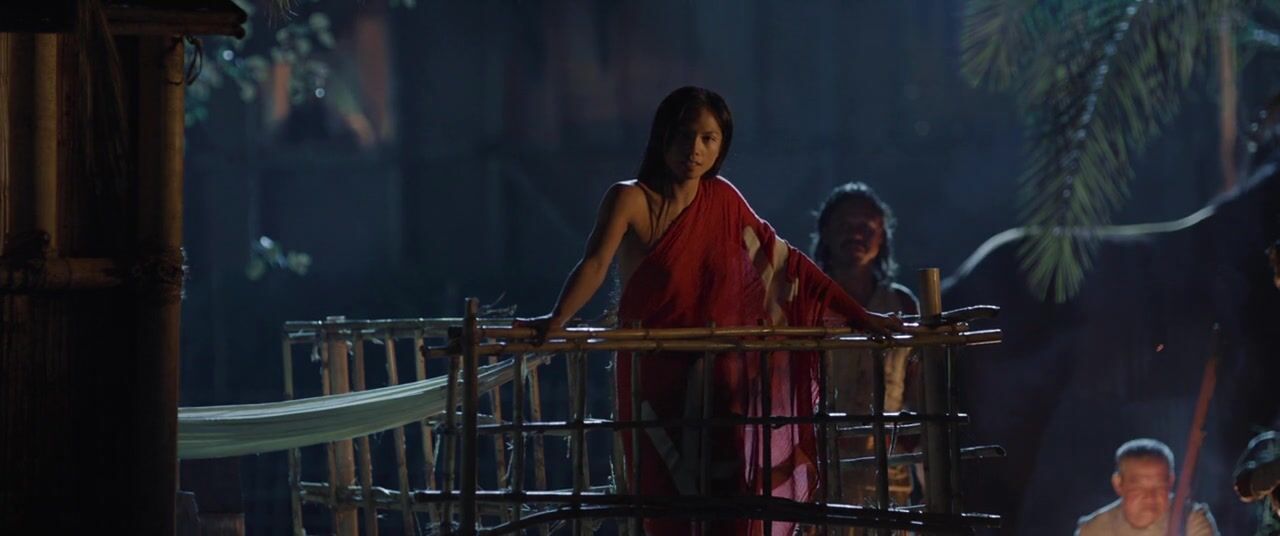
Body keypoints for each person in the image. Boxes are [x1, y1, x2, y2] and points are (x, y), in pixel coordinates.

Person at [523, 86, 902, 535]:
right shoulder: (629, 198)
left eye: (709, 138)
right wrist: (557, 320)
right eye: (685, 135)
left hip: (719, 378)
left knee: (728, 495)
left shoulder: (722, 198)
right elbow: (595, 264)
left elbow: (786, 264)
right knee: (664, 497)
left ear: (722, 146)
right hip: (653, 371)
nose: (695, 149)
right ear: (663, 136)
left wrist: (859, 316)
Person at [810, 182, 920, 522]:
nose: (855, 235)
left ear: (882, 235)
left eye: (866, 227)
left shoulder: (901, 304)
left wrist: (905, 441)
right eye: (845, 225)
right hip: (821, 458)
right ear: (826, 231)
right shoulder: (807, 301)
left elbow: (917, 385)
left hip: (886, 464)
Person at [1075, 438, 1220, 536]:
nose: (1150, 497)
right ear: (1118, 484)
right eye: (1138, 489)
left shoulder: (1191, 520)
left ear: (1170, 481)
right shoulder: (1094, 530)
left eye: (1159, 487)